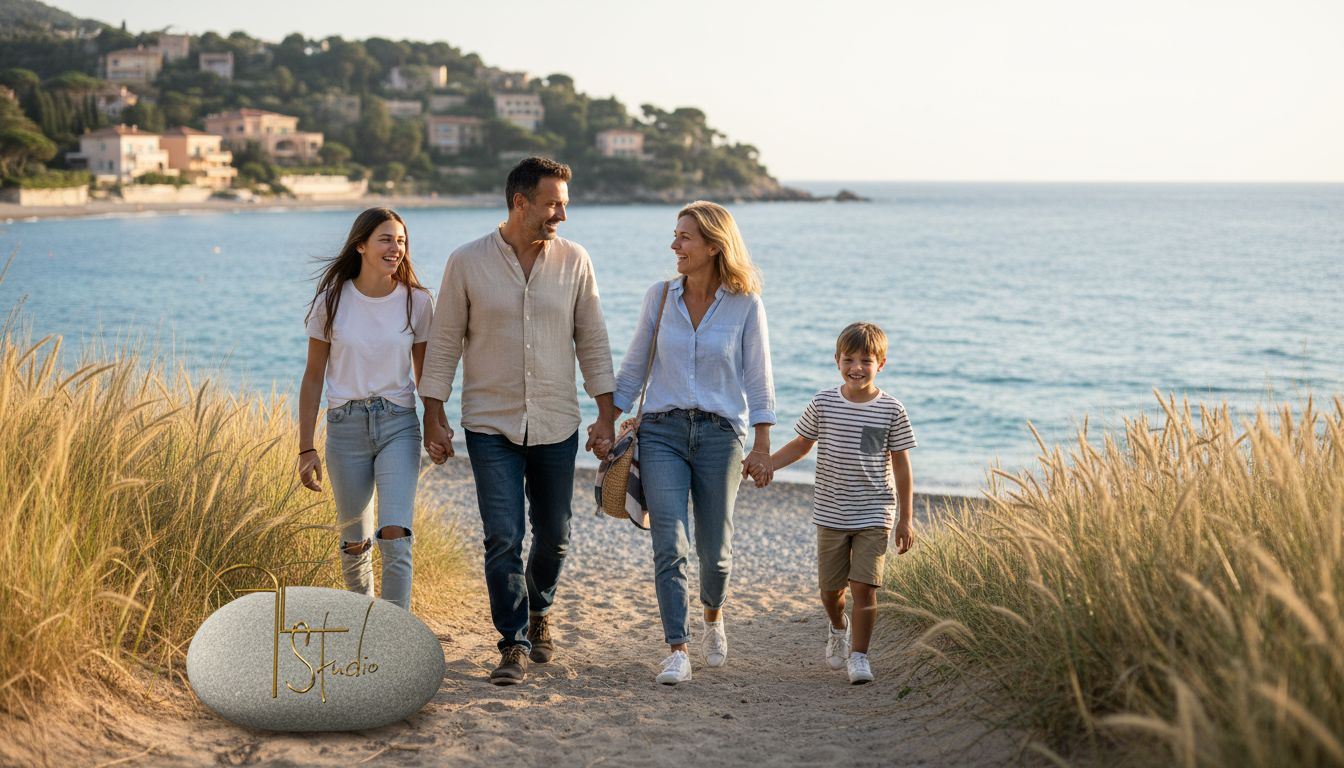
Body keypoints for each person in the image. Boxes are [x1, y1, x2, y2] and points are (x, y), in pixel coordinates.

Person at [420, 157, 618, 686]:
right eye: (553, 204)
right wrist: (433, 416)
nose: (562, 215)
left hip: (557, 420)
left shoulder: (576, 261)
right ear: (520, 202)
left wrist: (606, 413)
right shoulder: (466, 262)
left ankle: (539, 608)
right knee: (502, 537)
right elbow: (443, 343)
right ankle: (512, 643)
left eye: (565, 205)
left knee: (554, 536)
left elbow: (592, 339)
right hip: (489, 423)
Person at [609, 201, 775, 686]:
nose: (674, 245)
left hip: (722, 437)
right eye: (675, 235)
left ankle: (713, 615)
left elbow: (759, 378)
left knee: (715, 550)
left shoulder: (746, 304)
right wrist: (605, 420)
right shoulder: (659, 297)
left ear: (713, 245)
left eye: (684, 237)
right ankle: (677, 648)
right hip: (661, 431)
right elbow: (634, 366)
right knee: (669, 542)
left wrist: (762, 445)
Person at [298, 207, 433, 611]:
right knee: (355, 541)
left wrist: (438, 424)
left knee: (395, 531)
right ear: (361, 245)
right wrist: (306, 447)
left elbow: (425, 377)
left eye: (402, 240)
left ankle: (397, 637)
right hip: (346, 427)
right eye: (387, 239)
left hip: (398, 424)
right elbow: (312, 377)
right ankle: (366, 624)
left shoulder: (418, 302)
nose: (397, 248)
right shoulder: (332, 301)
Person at [768, 322, 917, 684]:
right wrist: (766, 463)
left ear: (881, 363)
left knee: (865, 588)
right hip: (832, 513)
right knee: (830, 592)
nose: (857, 367)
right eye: (849, 359)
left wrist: (905, 519)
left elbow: (901, 465)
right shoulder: (824, 402)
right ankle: (838, 628)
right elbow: (802, 444)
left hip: (874, 513)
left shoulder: (891, 410)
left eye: (866, 360)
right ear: (837, 361)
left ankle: (860, 656)